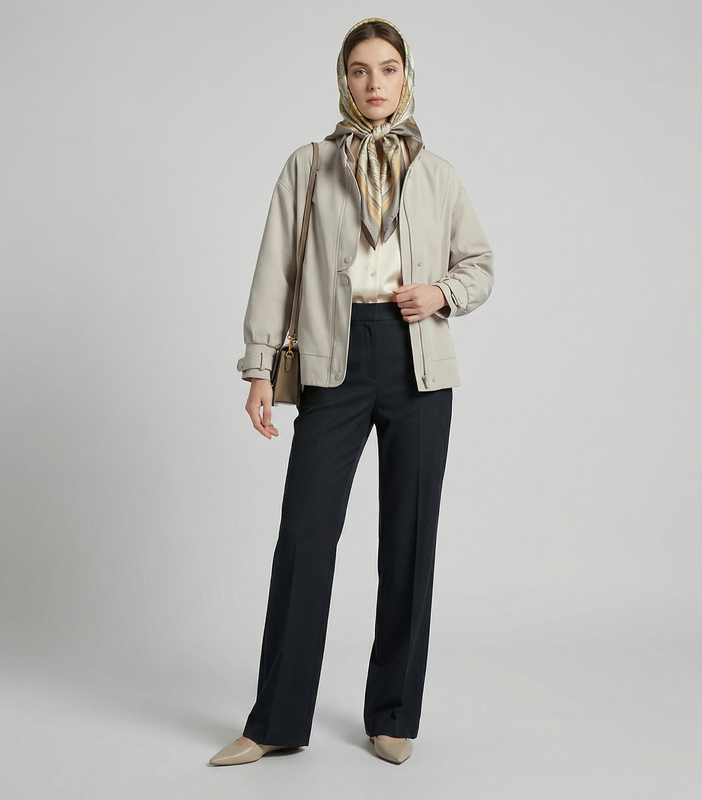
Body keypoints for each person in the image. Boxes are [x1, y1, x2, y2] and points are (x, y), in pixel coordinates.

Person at [209, 17, 493, 767]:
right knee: (305, 537)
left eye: (388, 68)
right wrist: (259, 368)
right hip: (332, 356)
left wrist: (440, 293)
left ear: (406, 77)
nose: (375, 83)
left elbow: (479, 264)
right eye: (361, 70)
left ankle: (393, 715)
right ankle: (276, 720)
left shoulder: (437, 173)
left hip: (417, 362)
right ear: (345, 79)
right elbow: (276, 267)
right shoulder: (309, 166)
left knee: (409, 541)